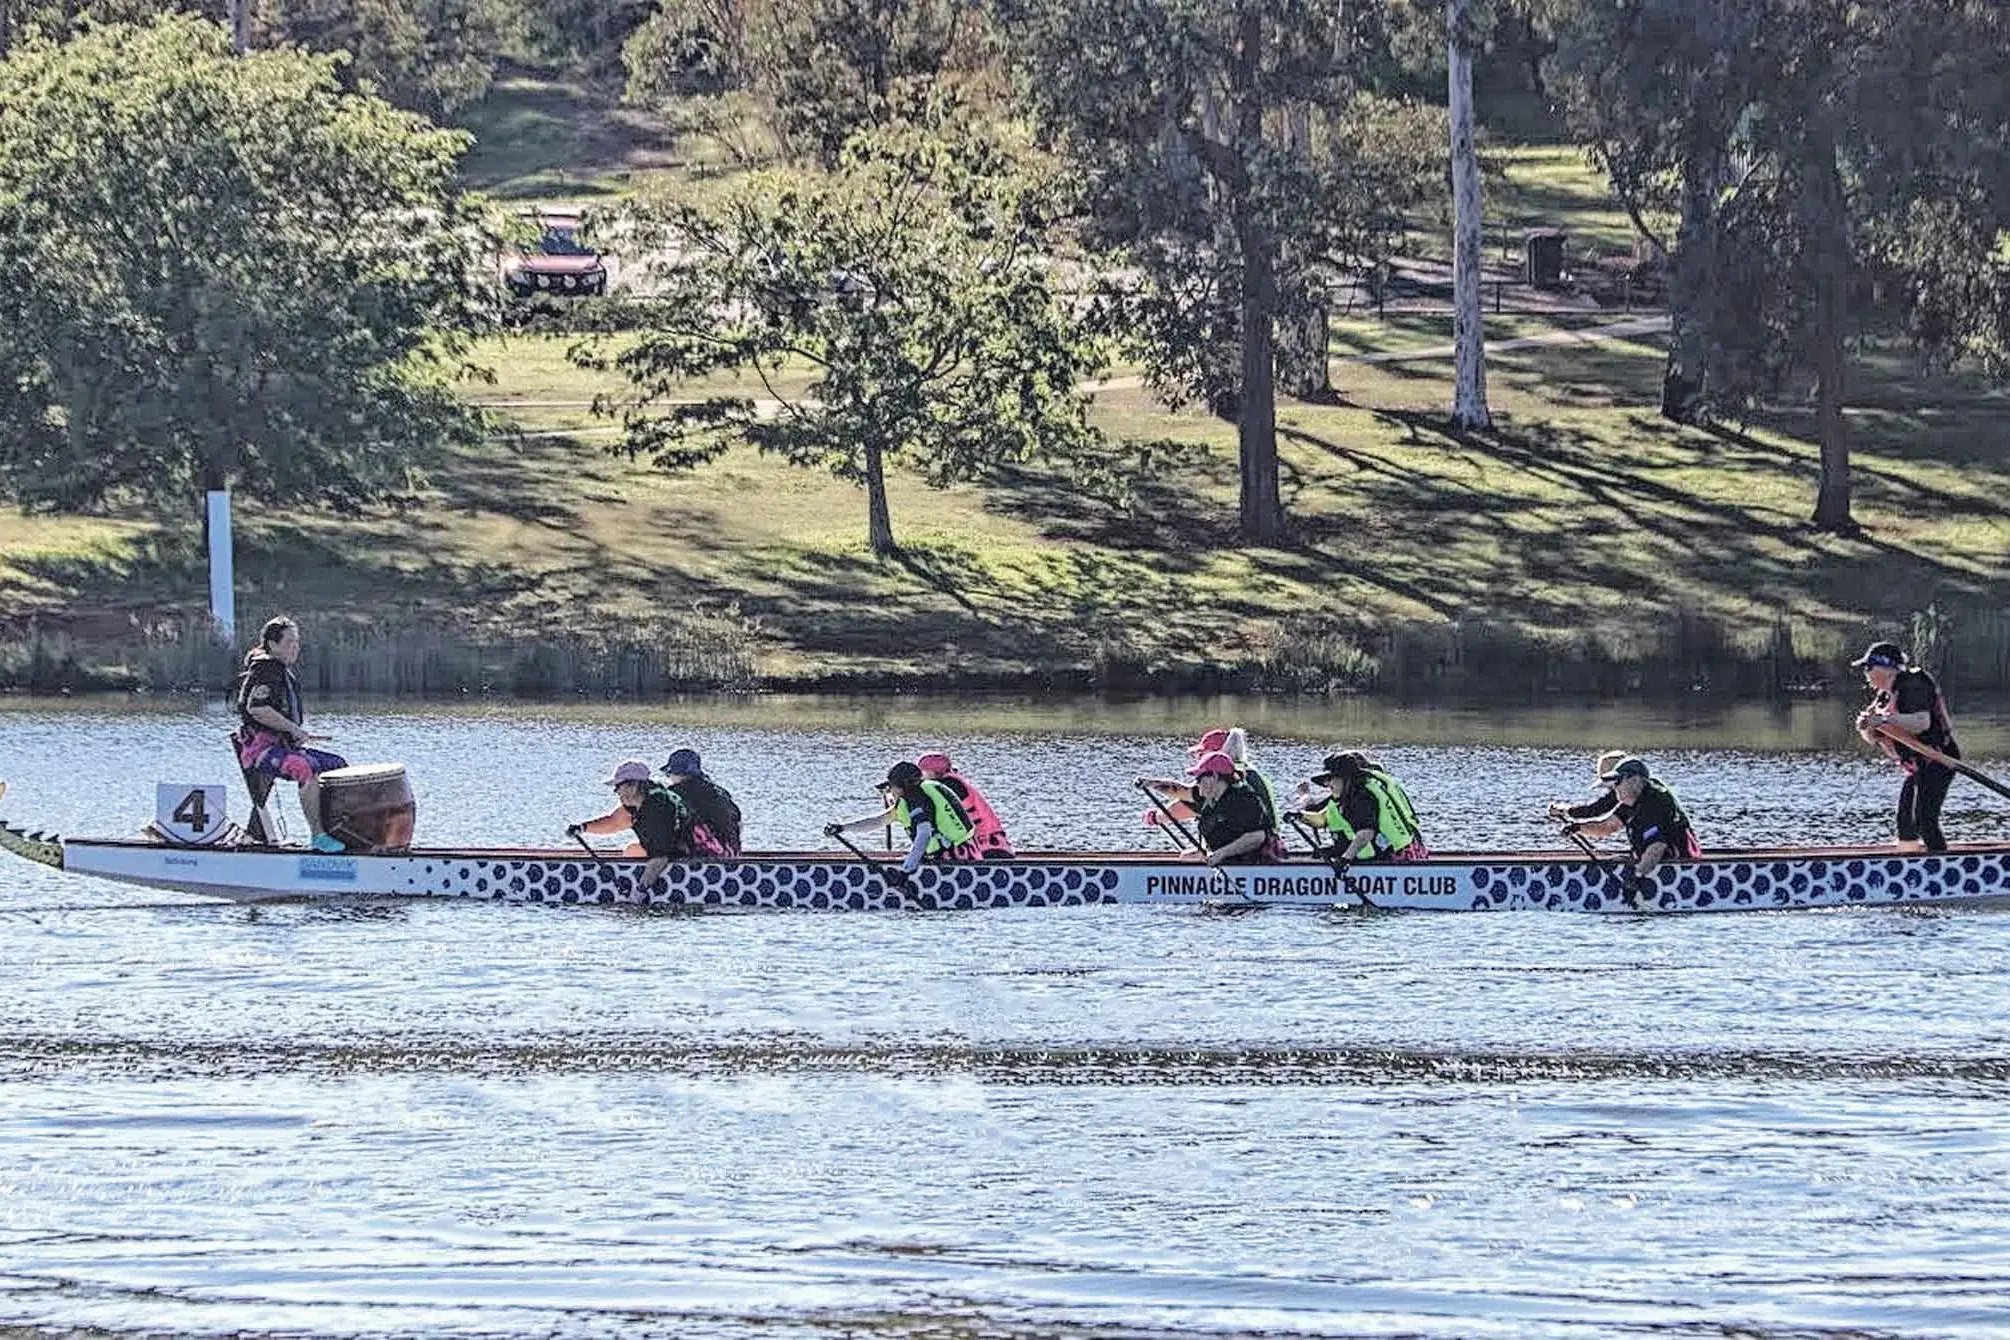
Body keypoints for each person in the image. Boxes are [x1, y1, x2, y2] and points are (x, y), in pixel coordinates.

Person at [231, 615, 349, 852]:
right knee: (305, 769)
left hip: (283, 747)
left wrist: (294, 734)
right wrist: (293, 729)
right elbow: (258, 708)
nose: (295, 647)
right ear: (272, 645)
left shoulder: (282, 671)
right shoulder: (267, 670)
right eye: (289, 642)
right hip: (260, 752)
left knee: (337, 765)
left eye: (297, 642)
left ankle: (340, 832)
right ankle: (318, 836)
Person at [1853, 640, 1962, 852]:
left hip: (1939, 759)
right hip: (1918, 765)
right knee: (1905, 821)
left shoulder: (1913, 686)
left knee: (1923, 819)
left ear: (1886, 668)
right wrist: (1866, 727)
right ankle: (1908, 862)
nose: (1866, 673)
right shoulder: (1884, 695)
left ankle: (1941, 867)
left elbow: (1922, 723)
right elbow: (1874, 738)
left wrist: (1883, 721)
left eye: (1869, 667)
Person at [826, 761, 979, 875]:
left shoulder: (918, 800)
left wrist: (907, 870)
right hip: (955, 856)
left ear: (904, 787)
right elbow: (879, 821)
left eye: (892, 786)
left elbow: (924, 834)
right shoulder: (910, 799)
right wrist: (843, 828)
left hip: (957, 860)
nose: (890, 790)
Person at [1566, 757, 1700, 883]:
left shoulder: (1653, 803)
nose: (1614, 788)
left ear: (1635, 780)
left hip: (1678, 869)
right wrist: (1578, 828)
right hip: (1654, 860)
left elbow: (1657, 847)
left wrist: (1636, 877)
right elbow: (1608, 826)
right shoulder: (1633, 800)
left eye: (1617, 782)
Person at [569, 759, 696, 893]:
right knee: (632, 850)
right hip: (672, 852)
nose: (616, 792)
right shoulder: (638, 803)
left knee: (639, 853)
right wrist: (582, 828)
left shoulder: (657, 807)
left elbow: (660, 858)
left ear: (633, 786)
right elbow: (613, 823)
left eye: (618, 786)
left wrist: (639, 893)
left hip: (689, 860)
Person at [1297, 751, 1428, 863]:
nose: (1327, 783)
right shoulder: (1346, 796)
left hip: (1395, 858)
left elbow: (1366, 833)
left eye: (1331, 778)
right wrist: (1299, 816)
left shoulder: (1361, 798)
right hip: (1401, 852)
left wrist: (1345, 860)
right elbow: (1321, 818)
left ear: (1346, 778)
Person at [1184, 751, 1284, 866]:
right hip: (1224, 863)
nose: (1197, 783)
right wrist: (1203, 852)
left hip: (1252, 866)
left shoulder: (1243, 801)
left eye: (1199, 778)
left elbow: (1257, 837)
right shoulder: (1210, 802)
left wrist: (1221, 854)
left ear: (1215, 776)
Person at [917, 751, 1014, 858]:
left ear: (932, 773)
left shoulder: (948, 786)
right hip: (993, 846)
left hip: (987, 850)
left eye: (921, 773)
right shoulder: (955, 782)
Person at [1188, 727, 1281, 831]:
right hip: (1269, 833)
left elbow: (1187, 797)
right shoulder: (1245, 768)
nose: (1198, 757)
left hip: (1261, 837)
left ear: (1217, 753)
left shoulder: (1225, 774)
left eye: (1202, 753)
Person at [661, 747, 742, 856]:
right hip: (731, 853)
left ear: (676, 773)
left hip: (702, 857)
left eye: (668, 774)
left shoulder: (674, 794)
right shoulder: (719, 792)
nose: (669, 778)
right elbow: (738, 822)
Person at [1547, 749, 1629, 825]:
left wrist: (1563, 810)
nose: (1608, 788)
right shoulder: (1633, 788)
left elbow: (1594, 809)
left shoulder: (1625, 793)